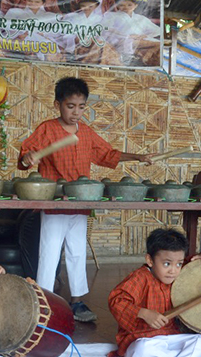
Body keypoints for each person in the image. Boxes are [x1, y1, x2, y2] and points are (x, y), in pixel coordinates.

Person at [18, 77, 152, 323]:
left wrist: (138, 156)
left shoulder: (87, 133)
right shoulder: (47, 129)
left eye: (81, 106)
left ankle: (77, 302)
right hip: (56, 202)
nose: (76, 112)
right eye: (71, 106)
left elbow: (108, 154)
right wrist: (28, 158)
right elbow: (27, 154)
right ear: (58, 104)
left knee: (77, 252)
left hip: (80, 202)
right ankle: (43, 301)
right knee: (49, 253)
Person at [108, 228, 201, 357]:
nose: (173, 270)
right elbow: (116, 300)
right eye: (166, 264)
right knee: (141, 352)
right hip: (142, 339)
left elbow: (197, 260)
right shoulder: (141, 277)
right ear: (150, 260)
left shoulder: (181, 273)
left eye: (179, 264)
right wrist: (143, 313)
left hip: (171, 338)